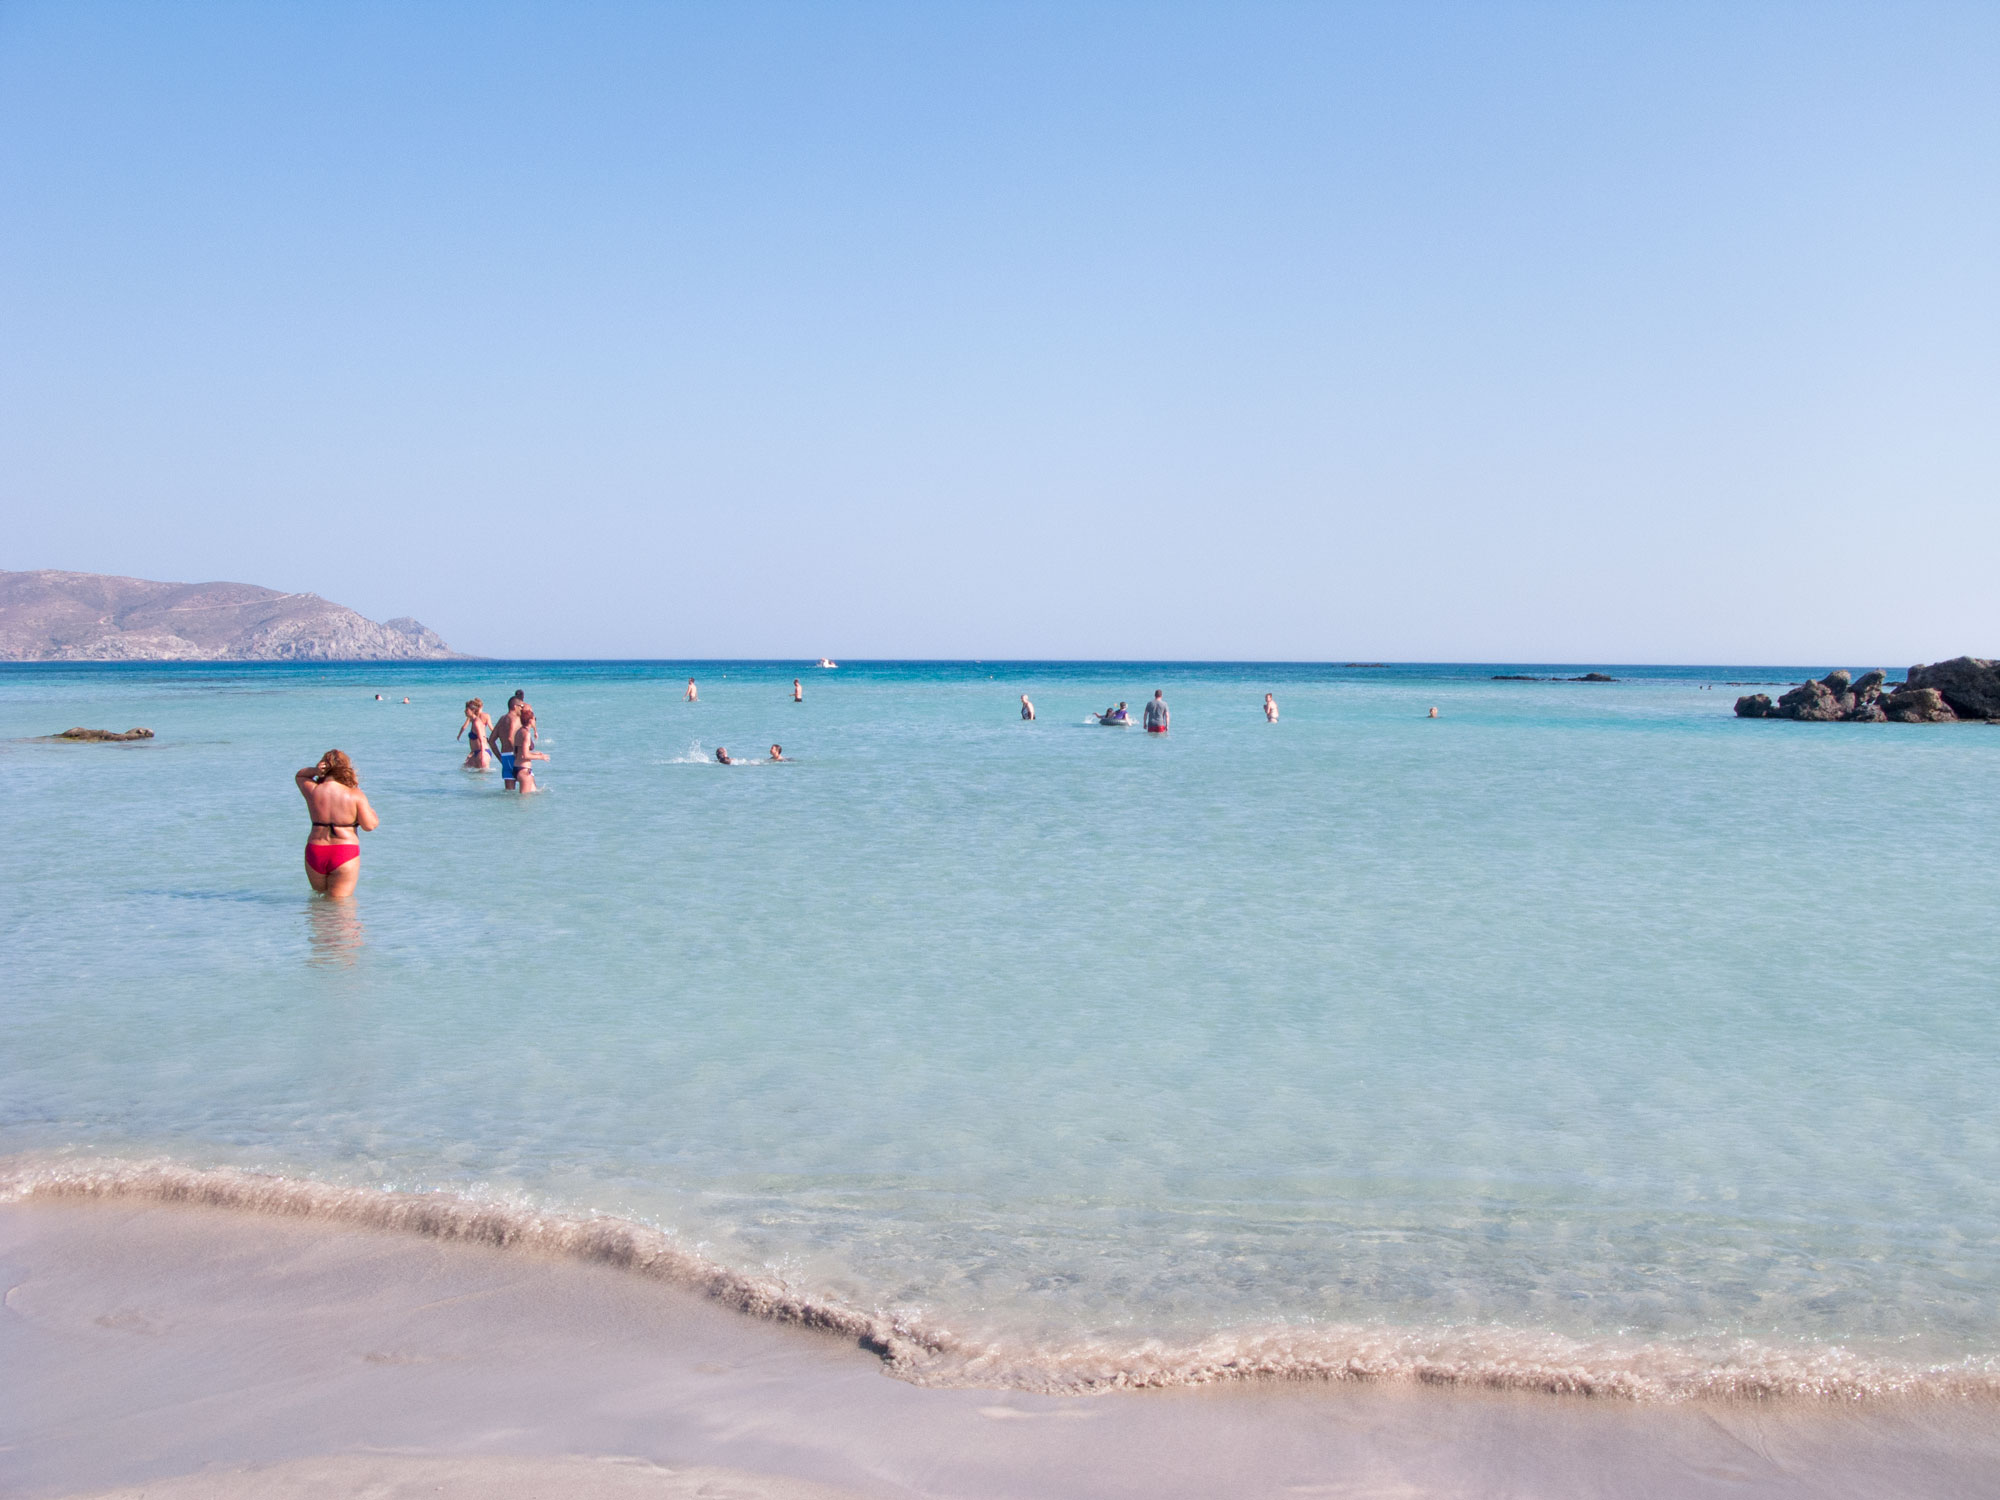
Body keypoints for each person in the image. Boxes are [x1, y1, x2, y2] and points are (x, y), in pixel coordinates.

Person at [295, 750, 379, 901]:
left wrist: (314, 771)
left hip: (315, 851)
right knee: (340, 907)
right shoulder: (354, 794)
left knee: (319, 903)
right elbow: (369, 826)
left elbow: (300, 775)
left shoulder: (313, 790)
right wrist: (372, 812)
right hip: (344, 851)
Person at [489, 692, 529, 788]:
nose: (522, 709)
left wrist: (500, 757)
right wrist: (517, 754)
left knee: (509, 792)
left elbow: (491, 740)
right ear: (515, 706)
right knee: (528, 789)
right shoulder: (515, 719)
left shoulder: (502, 719)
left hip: (505, 757)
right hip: (514, 757)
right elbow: (510, 737)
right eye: (521, 706)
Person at [512, 706, 548, 793]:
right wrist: (541, 757)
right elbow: (525, 755)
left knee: (534, 796)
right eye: (534, 719)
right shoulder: (526, 734)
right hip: (524, 770)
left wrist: (536, 754)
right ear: (530, 721)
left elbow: (517, 752)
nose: (535, 721)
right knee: (524, 802)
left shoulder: (519, 731)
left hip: (518, 767)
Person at [457, 699, 492, 769]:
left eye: (467, 710)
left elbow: (482, 740)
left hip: (483, 753)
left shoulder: (476, 722)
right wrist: (471, 753)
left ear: (472, 711)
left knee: (482, 777)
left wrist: (482, 757)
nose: (465, 711)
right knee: (464, 768)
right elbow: (475, 742)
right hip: (476, 753)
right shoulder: (472, 721)